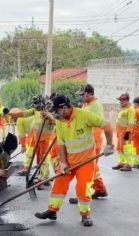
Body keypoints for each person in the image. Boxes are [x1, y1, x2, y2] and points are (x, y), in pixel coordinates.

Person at [34, 95, 114, 227]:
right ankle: (52, 211)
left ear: (64, 108)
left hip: (86, 161)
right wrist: (63, 163)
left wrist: (109, 145)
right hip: (70, 161)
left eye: (56, 111)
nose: (55, 115)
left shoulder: (84, 115)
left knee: (83, 188)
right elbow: (61, 144)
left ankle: (85, 215)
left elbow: (107, 125)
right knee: (59, 182)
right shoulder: (60, 122)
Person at [74, 84, 108, 200]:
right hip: (88, 140)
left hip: (93, 140)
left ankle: (85, 195)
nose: (80, 97)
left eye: (82, 95)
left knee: (87, 168)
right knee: (93, 167)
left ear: (88, 93)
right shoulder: (87, 104)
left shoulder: (95, 106)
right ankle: (100, 189)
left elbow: (97, 122)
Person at [112, 93, 135, 171]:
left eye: (122, 100)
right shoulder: (124, 109)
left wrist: (128, 133)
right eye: (120, 100)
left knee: (127, 149)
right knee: (120, 148)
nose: (120, 102)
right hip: (120, 131)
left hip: (125, 132)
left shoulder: (130, 109)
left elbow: (131, 122)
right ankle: (122, 163)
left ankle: (128, 165)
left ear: (127, 100)